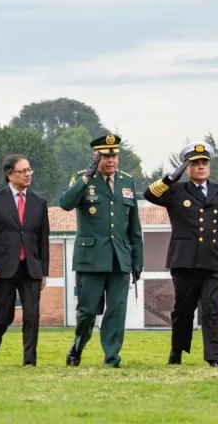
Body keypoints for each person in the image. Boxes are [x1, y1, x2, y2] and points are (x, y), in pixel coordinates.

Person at [144, 142, 218, 367]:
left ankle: (215, 358)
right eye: (195, 163)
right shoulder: (176, 191)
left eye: (204, 162)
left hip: (215, 261)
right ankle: (176, 352)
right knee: (183, 310)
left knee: (213, 309)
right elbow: (149, 194)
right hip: (185, 261)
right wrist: (171, 178)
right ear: (187, 168)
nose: (201, 167)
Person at [60, 134, 144, 368]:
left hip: (120, 258)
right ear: (95, 156)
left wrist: (137, 259)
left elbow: (134, 225)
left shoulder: (127, 182)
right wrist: (87, 176)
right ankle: (78, 346)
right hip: (91, 259)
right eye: (105, 156)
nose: (110, 161)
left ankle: (111, 357)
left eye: (114, 155)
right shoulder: (82, 178)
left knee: (116, 311)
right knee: (87, 312)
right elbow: (66, 203)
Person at [0, 154, 50, 367]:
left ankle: (29, 361)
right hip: (3, 269)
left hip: (30, 268)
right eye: (23, 171)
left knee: (31, 315)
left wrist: (43, 271)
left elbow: (43, 239)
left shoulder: (39, 203)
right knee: (3, 317)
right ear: (10, 175)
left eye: (29, 170)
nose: (28, 175)